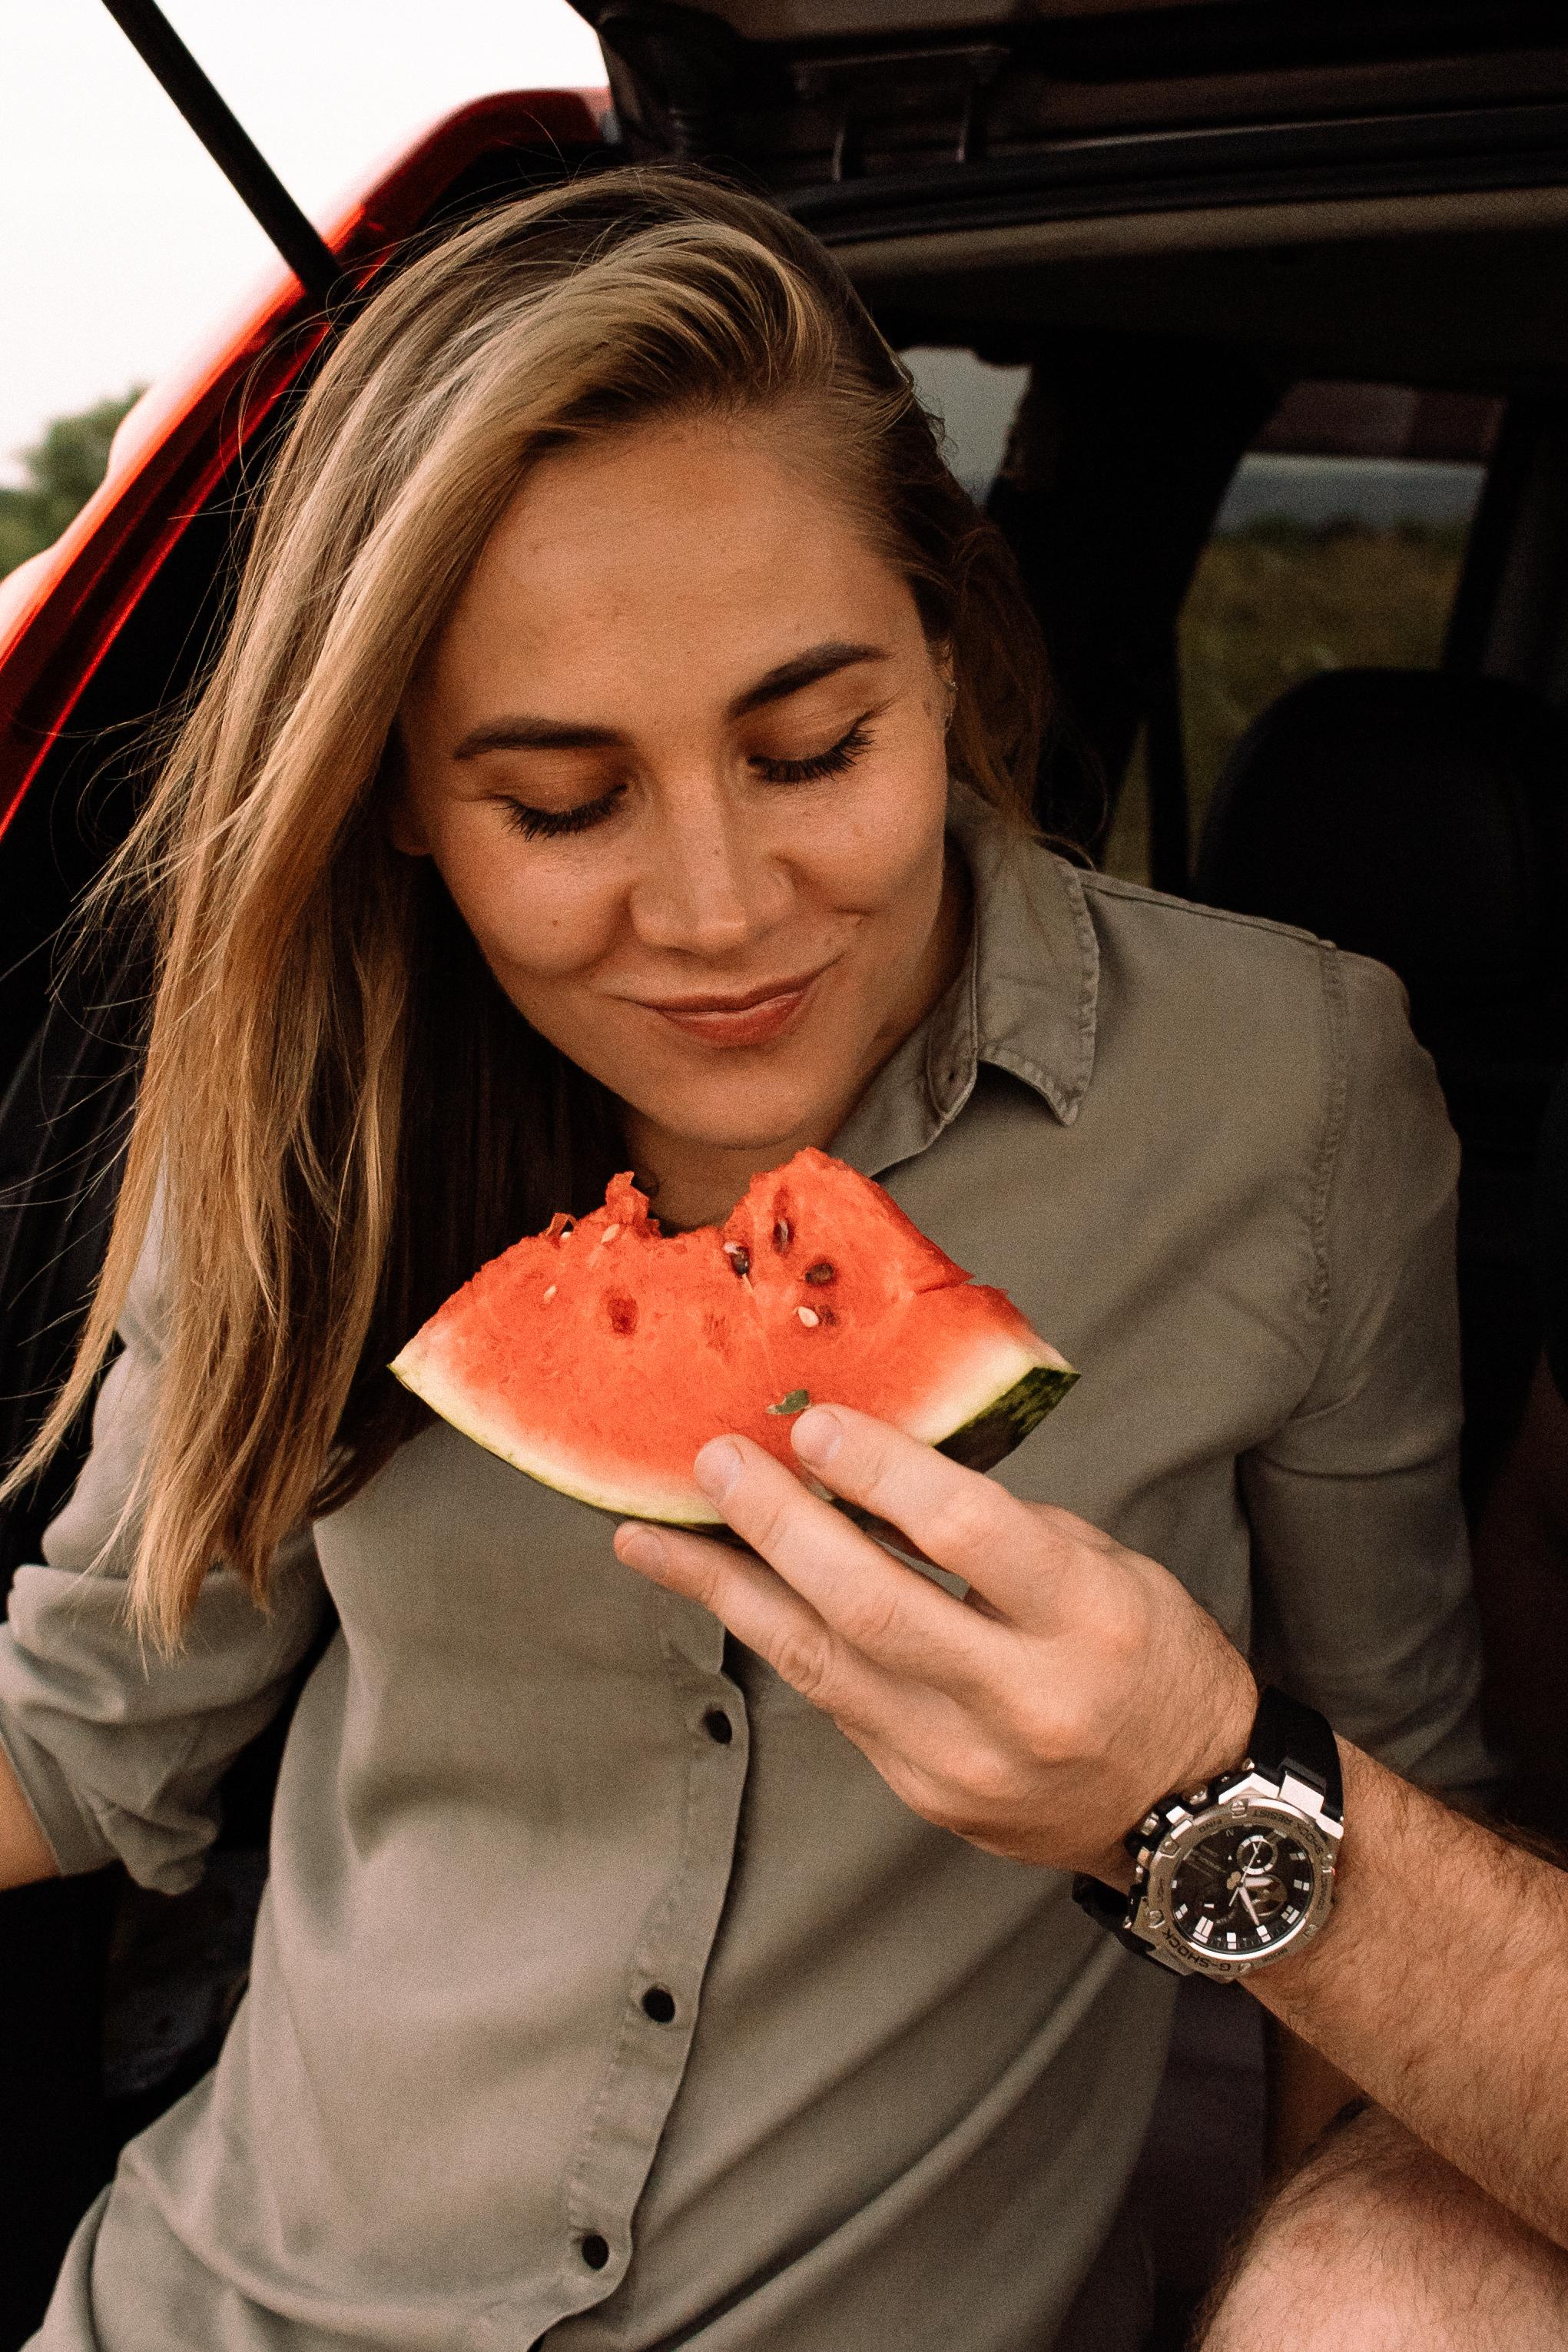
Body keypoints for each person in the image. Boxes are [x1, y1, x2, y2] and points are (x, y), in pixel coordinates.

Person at [0, 168, 1490, 2351]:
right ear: (397, 787)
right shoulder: (313, 1109)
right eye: (558, 803)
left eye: (812, 749)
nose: (714, 911)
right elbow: (84, 1734)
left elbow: (1379, 1849)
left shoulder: (1288, 1090)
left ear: (944, 654)